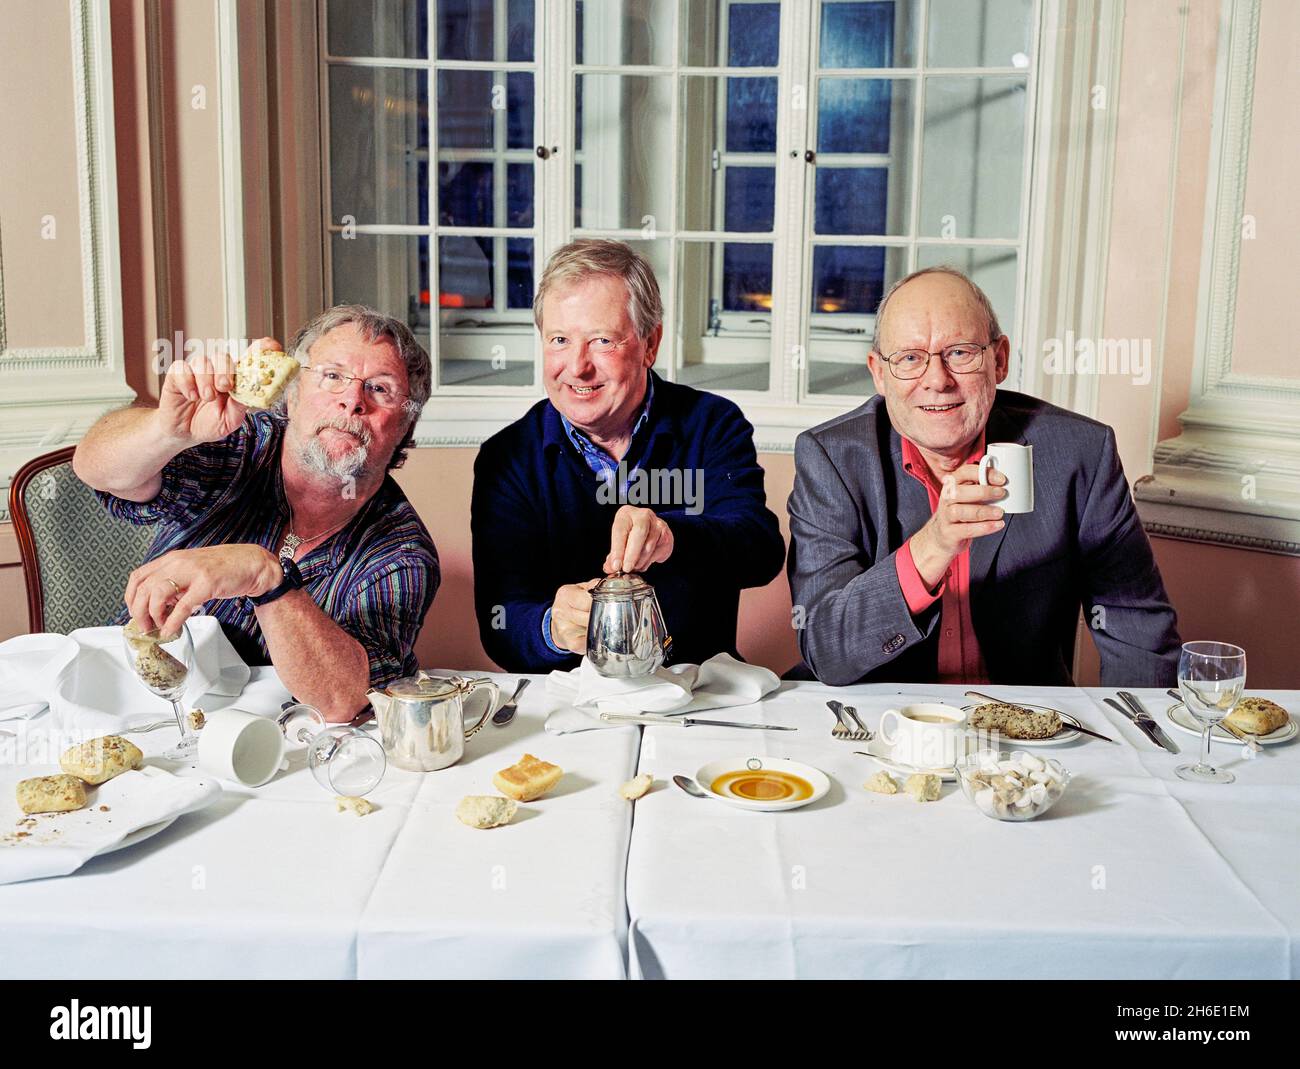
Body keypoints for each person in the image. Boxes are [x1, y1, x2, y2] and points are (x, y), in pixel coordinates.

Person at [787, 267, 1180, 687]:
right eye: (909, 359)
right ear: (879, 374)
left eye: (960, 353)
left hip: (1026, 730)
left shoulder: (1080, 453)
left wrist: (1138, 739)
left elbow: (1139, 635)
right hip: (880, 726)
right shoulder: (832, 458)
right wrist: (933, 546)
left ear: (1000, 360)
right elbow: (826, 650)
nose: (937, 381)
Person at [73, 305, 439, 720]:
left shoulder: (401, 553)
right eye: (332, 376)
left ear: (405, 426)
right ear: (293, 391)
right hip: (122, 701)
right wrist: (166, 431)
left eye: (380, 389)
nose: (351, 401)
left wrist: (266, 578)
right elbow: (95, 467)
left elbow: (345, 700)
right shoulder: (239, 442)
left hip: (264, 744)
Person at [471, 239, 785, 673]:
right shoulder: (507, 458)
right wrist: (551, 629)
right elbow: (499, 623)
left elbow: (761, 552)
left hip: (696, 692)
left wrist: (671, 536)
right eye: (559, 340)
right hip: (570, 705)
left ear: (649, 345)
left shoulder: (712, 423)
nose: (577, 367)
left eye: (602, 341)